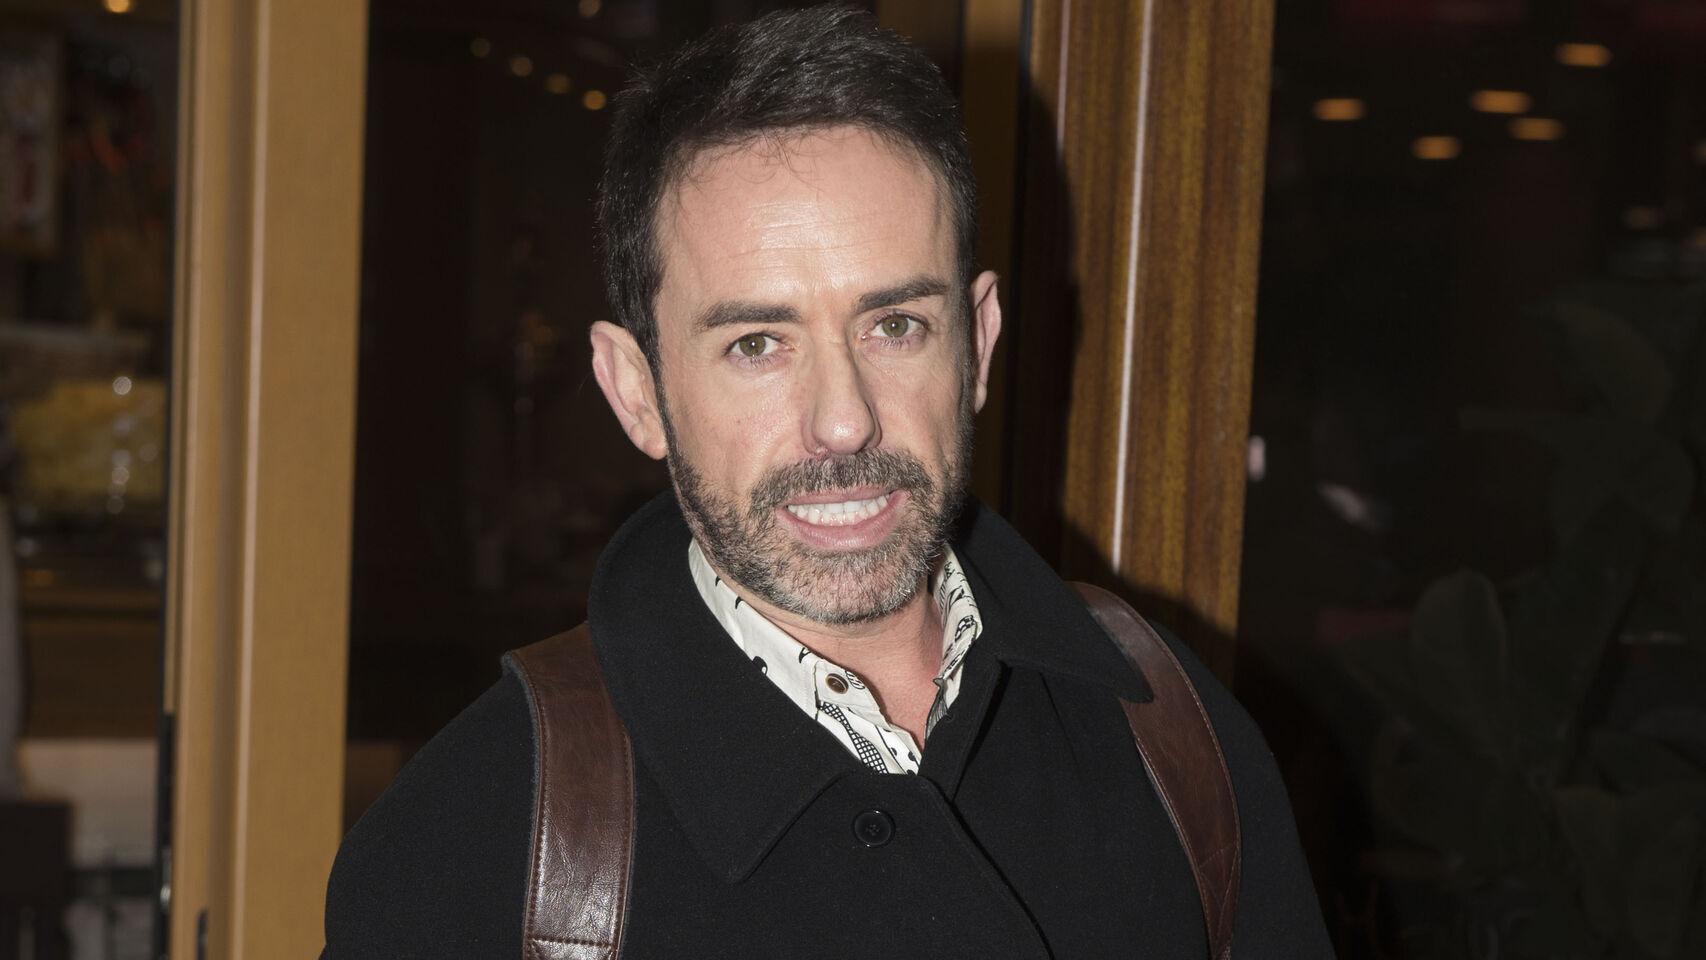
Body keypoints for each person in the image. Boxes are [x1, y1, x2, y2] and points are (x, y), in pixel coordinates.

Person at [322, 7, 1332, 958]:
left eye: (894, 326)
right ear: (635, 390)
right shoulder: (478, 839)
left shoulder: (1171, 734)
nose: (843, 420)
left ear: (977, 346)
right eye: (756, 343)